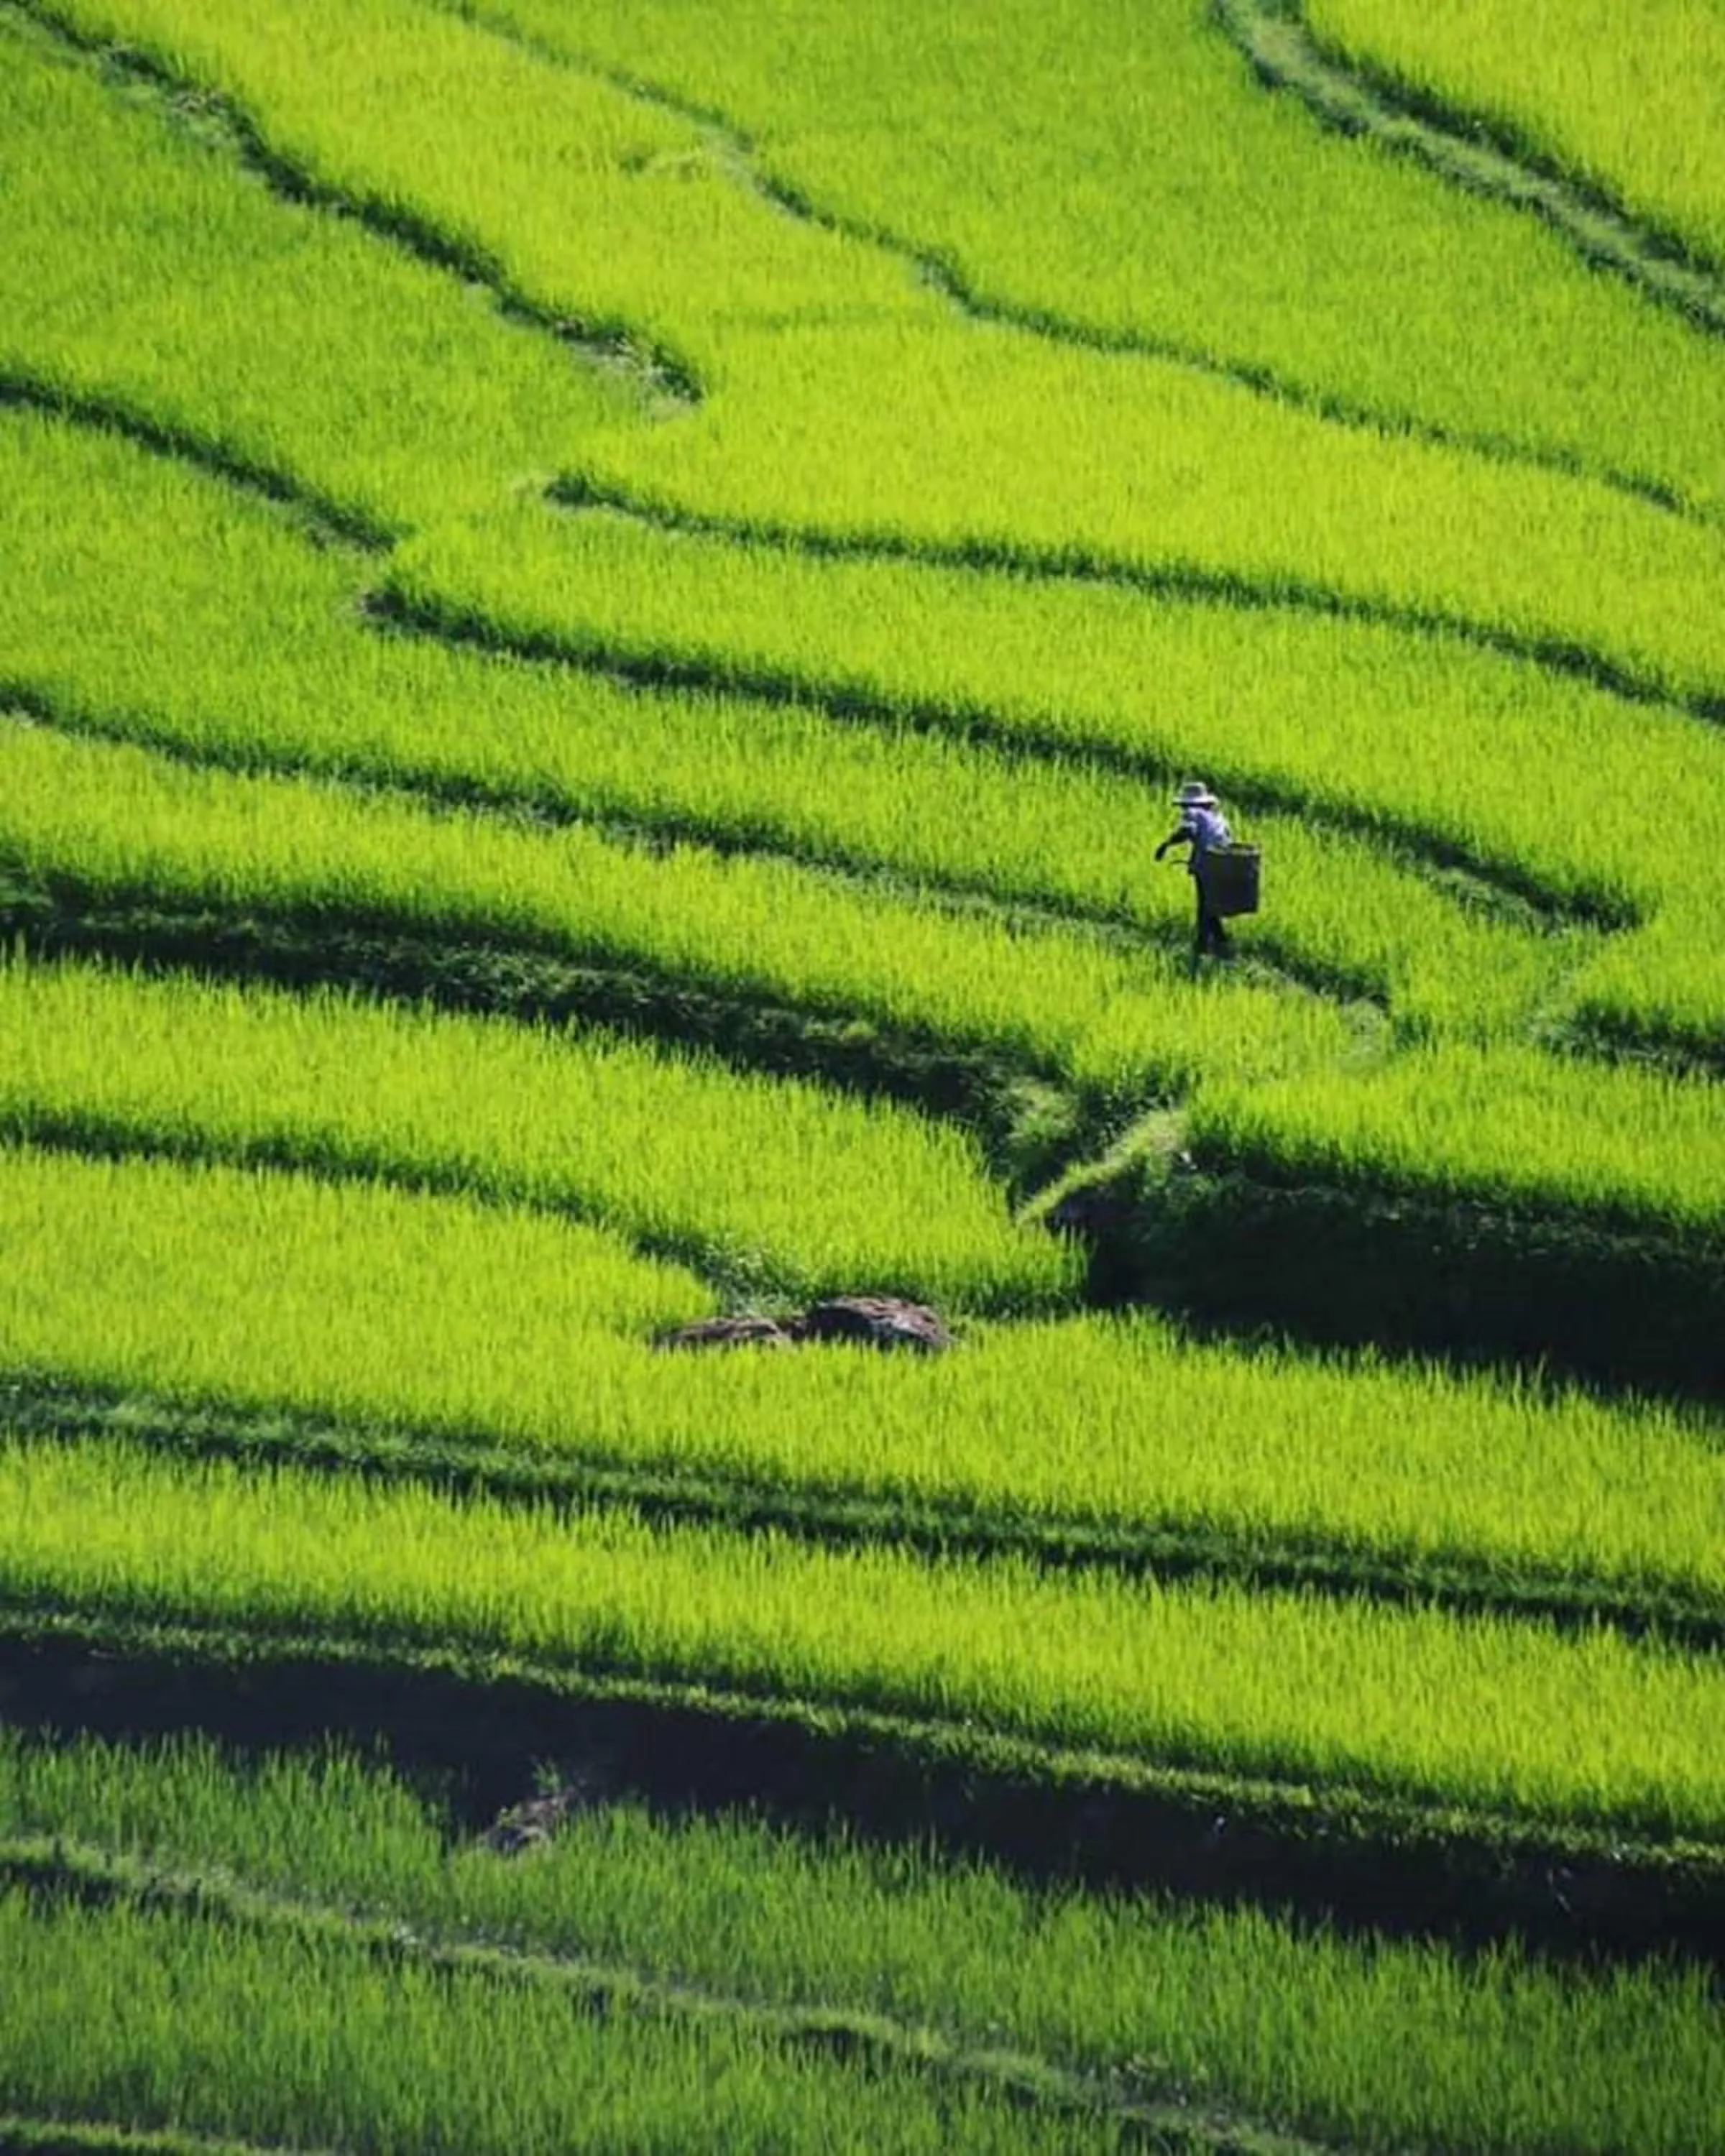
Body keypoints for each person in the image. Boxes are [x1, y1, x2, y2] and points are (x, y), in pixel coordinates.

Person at [1155, 779, 1233, 961]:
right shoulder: (1219, 819)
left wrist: (1166, 845)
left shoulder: (1193, 814)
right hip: (1224, 864)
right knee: (1210, 905)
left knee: (1204, 906)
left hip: (1207, 865)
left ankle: (1202, 947)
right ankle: (1222, 945)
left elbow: (1188, 830)